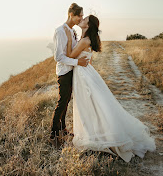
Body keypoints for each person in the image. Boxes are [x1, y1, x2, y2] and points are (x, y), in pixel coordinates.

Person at [63, 14, 156, 162]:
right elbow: (88, 58)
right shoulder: (85, 39)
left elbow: (69, 55)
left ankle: (95, 134)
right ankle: (94, 132)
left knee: (88, 105)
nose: (81, 20)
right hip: (85, 73)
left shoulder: (85, 40)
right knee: (92, 105)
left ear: (89, 25)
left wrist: (68, 39)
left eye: (84, 20)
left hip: (83, 75)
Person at [49, 3, 90, 145]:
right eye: (79, 15)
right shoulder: (60, 31)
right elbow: (58, 57)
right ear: (71, 14)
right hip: (64, 72)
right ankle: (53, 135)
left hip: (72, 71)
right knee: (62, 102)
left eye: (82, 16)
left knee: (67, 100)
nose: (81, 18)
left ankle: (63, 128)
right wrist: (77, 63)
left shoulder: (71, 31)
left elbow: (73, 51)